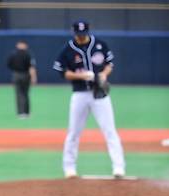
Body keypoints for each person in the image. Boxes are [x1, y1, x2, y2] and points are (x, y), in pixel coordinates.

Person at [53, 20, 126, 179]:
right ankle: (69, 168)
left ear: (88, 31)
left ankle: (118, 168)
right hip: (79, 93)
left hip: (100, 94)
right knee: (73, 132)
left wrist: (104, 74)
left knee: (110, 131)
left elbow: (109, 64)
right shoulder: (67, 49)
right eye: (78, 34)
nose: (81, 37)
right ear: (74, 33)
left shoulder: (100, 45)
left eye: (83, 34)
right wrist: (82, 75)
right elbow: (62, 71)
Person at [7, 40, 37, 118]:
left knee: (19, 94)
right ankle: (26, 112)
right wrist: (33, 77)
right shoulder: (28, 54)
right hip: (26, 75)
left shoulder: (13, 54)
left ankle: (21, 113)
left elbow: (9, 65)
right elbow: (32, 67)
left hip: (16, 74)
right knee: (25, 94)